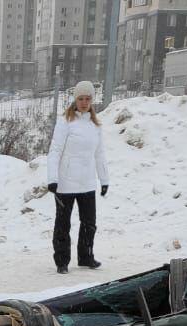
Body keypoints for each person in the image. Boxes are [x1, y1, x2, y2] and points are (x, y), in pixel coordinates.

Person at [46, 80, 109, 274]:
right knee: (63, 224)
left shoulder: (95, 125)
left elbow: (99, 154)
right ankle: (62, 261)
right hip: (66, 183)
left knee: (89, 223)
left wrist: (104, 180)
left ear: (92, 100)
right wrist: (52, 178)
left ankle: (86, 256)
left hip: (87, 183)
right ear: (75, 99)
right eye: (80, 98)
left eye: (88, 98)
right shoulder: (65, 122)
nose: (84, 102)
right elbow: (55, 150)